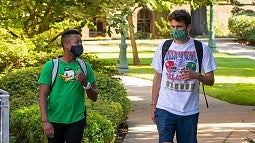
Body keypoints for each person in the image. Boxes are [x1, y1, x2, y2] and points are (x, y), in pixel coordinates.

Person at [151, 9, 217, 143]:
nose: (176, 30)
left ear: (188, 27)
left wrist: (196, 75)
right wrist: (153, 105)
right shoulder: (163, 47)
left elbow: (210, 80)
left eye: (179, 27)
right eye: (173, 27)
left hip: (189, 111)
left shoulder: (201, 49)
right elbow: (157, 77)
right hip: (165, 107)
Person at [38, 29, 98, 143]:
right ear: (66, 45)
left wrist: (86, 83)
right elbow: (43, 95)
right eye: (77, 42)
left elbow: (94, 97)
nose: (80, 45)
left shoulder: (85, 67)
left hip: (76, 120)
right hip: (54, 120)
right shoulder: (51, 66)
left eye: (81, 42)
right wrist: (45, 121)